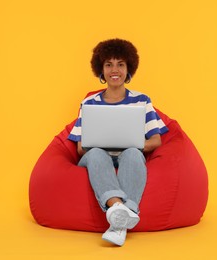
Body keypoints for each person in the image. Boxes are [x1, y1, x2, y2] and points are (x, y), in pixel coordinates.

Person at [67, 39, 169, 246]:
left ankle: (118, 224)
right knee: (95, 152)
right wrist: (101, 144)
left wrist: (131, 144)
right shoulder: (89, 103)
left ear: (128, 68)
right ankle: (120, 209)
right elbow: (80, 148)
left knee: (133, 152)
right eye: (108, 64)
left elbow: (156, 140)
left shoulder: (142, 100)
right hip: (98, 158)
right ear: (101, 70)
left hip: (128, 156)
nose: (115, 70)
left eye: (120, 64)